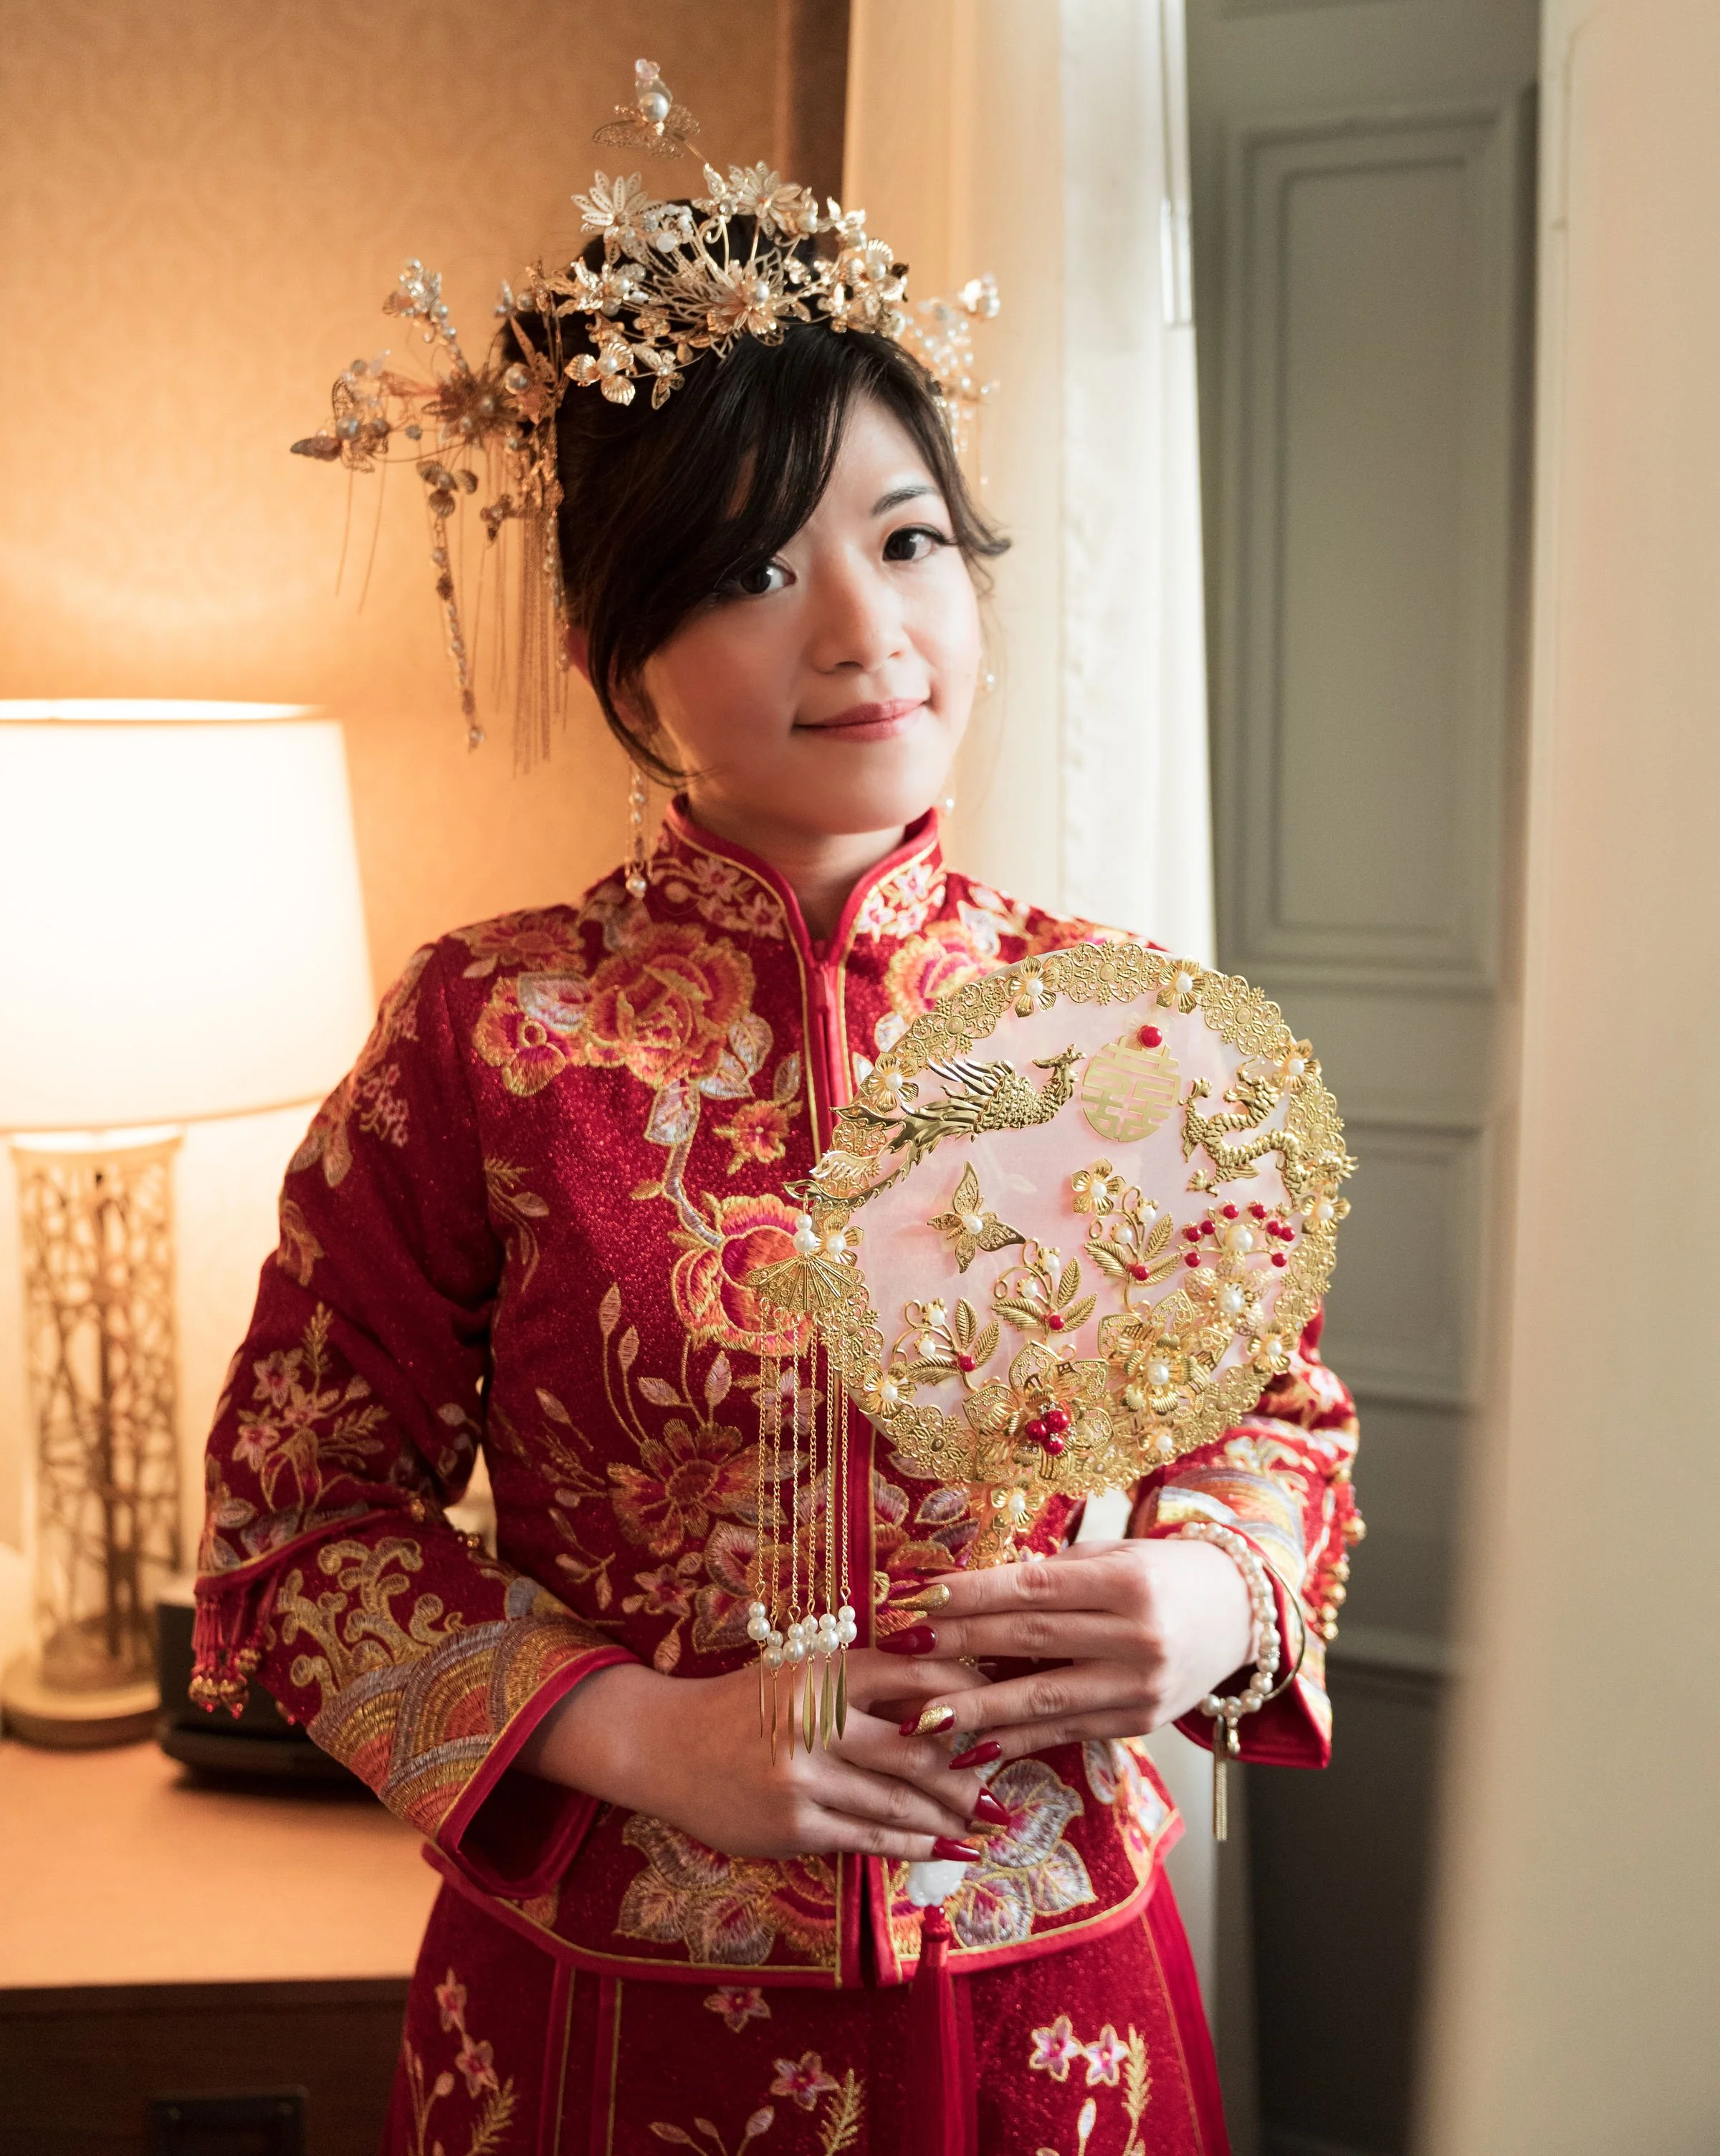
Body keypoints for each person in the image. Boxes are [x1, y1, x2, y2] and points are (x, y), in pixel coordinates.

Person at [194, 103, 1359, 2156]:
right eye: (752, 566)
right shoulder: (490, 1036)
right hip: (605, 2013)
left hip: (1047, 2001)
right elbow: (294, 1523)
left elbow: (1269, 1416)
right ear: (607, 649)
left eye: (907, 540)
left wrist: (1210, 1601)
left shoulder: (1098, 1027)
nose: (862, 628)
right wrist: (644, 1736)